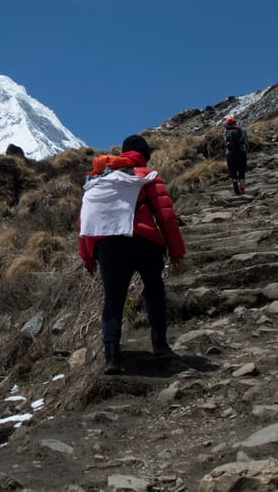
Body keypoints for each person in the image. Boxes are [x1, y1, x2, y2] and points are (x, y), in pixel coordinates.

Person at [78, 134, 186, 375]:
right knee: (154, 290)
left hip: (108, 246)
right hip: (145, 242)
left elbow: (85, 222)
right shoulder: (147, 176)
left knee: (114, 300)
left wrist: (88, 258)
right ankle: (160, 345)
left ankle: (112, 357)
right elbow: (166, 217)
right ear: (144, 156)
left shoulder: (99, 179)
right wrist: (176, 252)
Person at [223, 115, 248, 195]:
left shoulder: (225, 132)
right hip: (241, 152)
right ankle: (242, 190)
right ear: (235, 122)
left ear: (227, 123)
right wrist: (246, 151)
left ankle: (234, 182)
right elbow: (246, 142)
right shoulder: (242, 130)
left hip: (230, 154)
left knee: (232, 171)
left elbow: (226, 143)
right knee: (242, 172)